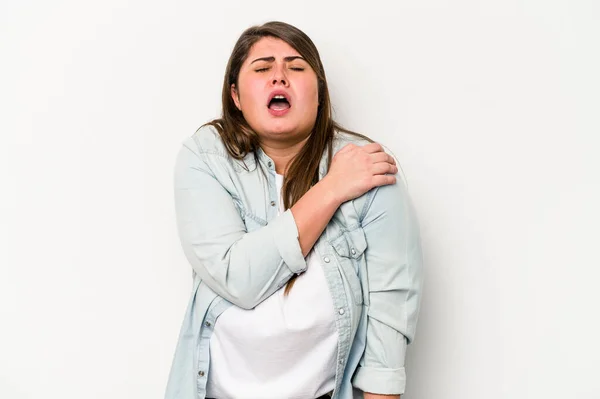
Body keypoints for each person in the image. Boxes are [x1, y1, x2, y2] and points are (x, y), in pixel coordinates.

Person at [164, 21, 424, 399]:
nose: (279, 77)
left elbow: (391, 314)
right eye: (263, 67)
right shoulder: (205, 157)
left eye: (297, 67)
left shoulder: (366, 166)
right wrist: (332, 188)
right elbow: (237, 277)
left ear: (319, 92)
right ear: (235, 96)